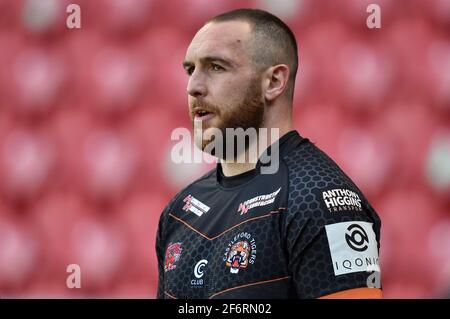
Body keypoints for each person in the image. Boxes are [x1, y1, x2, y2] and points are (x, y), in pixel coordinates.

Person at [156, 8, 382, 299]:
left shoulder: (318, 199)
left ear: (274, 82)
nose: (193, 87)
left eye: (216, 67)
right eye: (191, 70)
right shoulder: (181, 211)